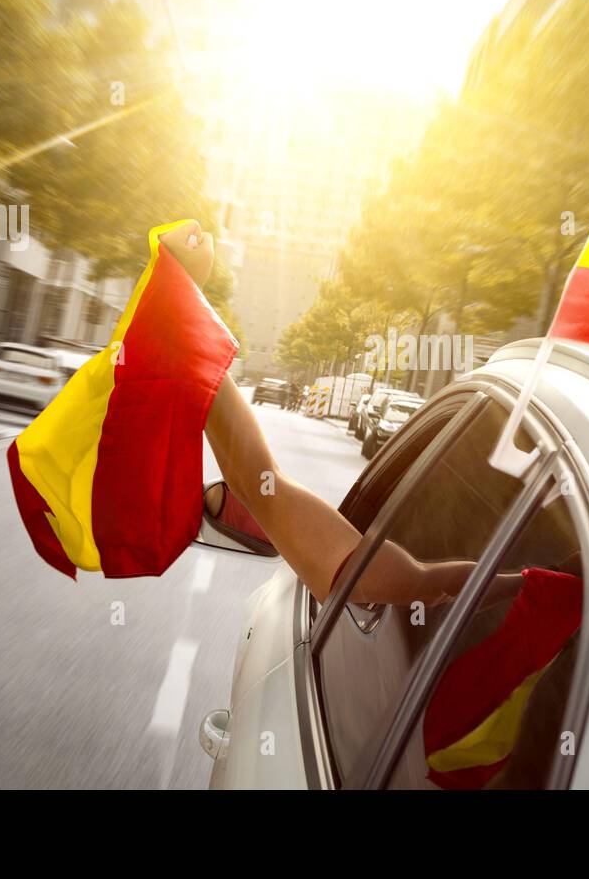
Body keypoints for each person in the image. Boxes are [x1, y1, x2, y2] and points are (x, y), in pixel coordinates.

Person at [159, 220, 519, 609]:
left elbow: (256, 486)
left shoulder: (403, 587)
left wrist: (185, 304)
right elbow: (254, 486)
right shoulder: (557, 601)